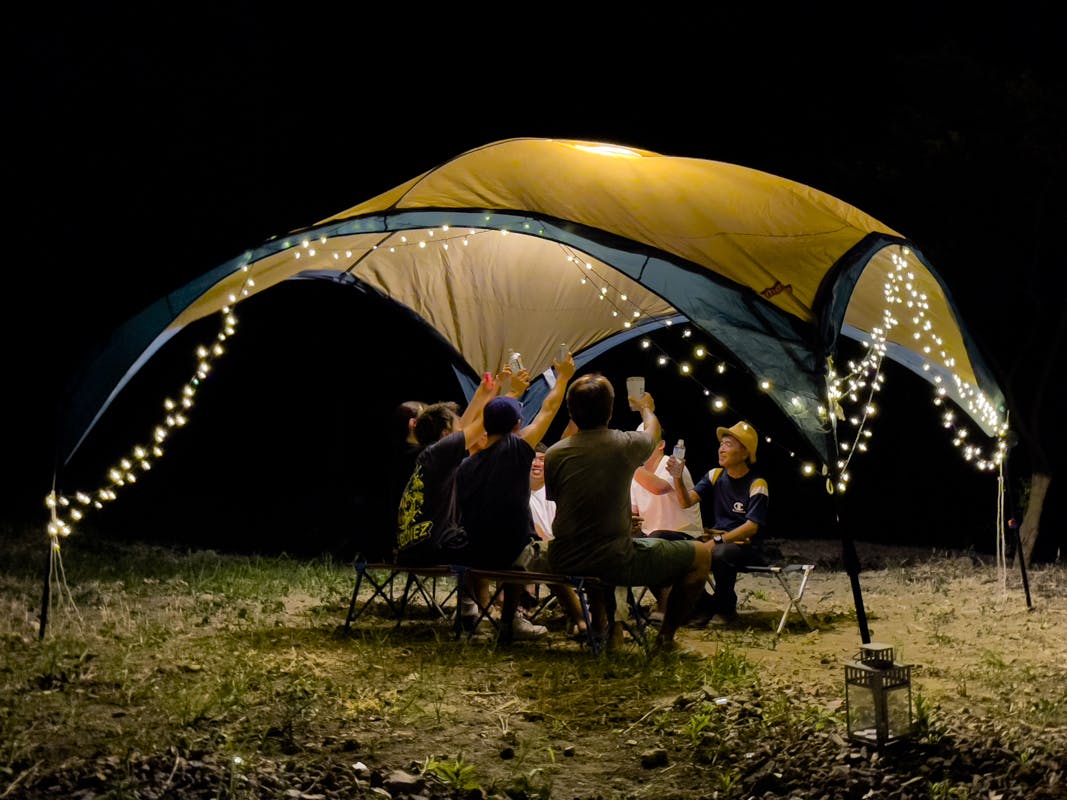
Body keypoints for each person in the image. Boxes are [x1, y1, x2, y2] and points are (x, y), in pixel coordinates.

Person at [543, 374, 713, 652]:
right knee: (702, 555)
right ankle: (665, 638)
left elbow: (564, 501)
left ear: (571, 411)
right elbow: (653, 434)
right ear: (610, 410)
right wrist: (646, 408)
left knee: (603, 550)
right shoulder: (622, 444)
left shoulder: (554, 453)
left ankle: (604, 628)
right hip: (613, 558)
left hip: (564, 557)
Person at [453, 353, 576, 641]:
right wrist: (563, 378)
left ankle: (481, 612)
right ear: (518, 424)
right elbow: (548, 409)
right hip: (512, 554)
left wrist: (503, 392)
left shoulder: (466, 464)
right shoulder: (517, 450)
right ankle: (516, 622)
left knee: (515, 544)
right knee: (528, 550)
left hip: (473, 554)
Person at [395, 369, 521, 566]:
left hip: (412, 549)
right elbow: (485, 422)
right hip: (439, 549)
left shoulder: (430, 457)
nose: (462, 430)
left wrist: (484, 394)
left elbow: (462, 427)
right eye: (457, 429)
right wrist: (513, 393)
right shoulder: (440, 452)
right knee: (511, 542)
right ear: (446, 435)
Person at [666, 420, 770, 626]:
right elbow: (686, 501)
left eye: (728, 445)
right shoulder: (715, 475)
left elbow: (751, 527)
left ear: (745, 453)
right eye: (721, 444)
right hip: (717, 540)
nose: (721, 449)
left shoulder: (757, 484)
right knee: (670, 543)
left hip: (746, 546)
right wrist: (677, 477)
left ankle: (725, 608)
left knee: (721, 553)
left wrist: (717, 541)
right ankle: (704, 605)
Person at [630, 433, 704, 621]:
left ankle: (667, 606)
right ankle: (622, 606)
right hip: (653, 536)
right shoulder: (637, 476)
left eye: (646, 442)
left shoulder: (672, 464)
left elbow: (659, 487)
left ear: (661, 444)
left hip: (685, 534)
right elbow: (632, 511)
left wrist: (629, 465)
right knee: (627, 544)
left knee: (653, 542)